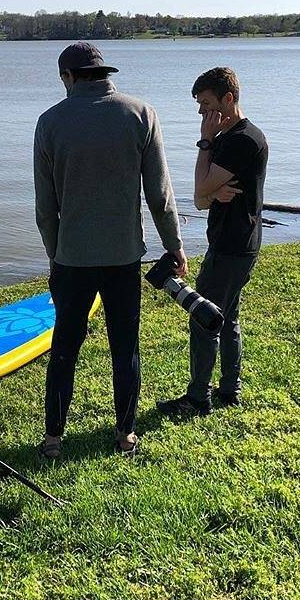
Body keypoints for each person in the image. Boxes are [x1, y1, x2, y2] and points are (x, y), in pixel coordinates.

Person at [34, 42, 185, 459]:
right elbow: (161, 196)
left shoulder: (49, 123)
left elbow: (45, 210)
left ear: (68, 76)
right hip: (123, 257)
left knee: (65, 347)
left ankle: (53, 440)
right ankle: (125, 436)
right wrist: (174, 246)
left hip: (72, 258)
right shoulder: (140, 114)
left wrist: (55, 256)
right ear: (104, 73)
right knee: (125, 346)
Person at [157, 67, 268, 417]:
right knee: (227, 316)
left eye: (206, 105)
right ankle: (230, 388)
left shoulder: (242, 140)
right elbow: (201, 199)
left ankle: (197, 398)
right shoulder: (228, 138)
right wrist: (207, 189)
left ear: (228, 99)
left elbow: (201, 190)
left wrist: (204, 144)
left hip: (234, 244)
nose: (202, 115)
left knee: (203, 317)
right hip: (233, 240)